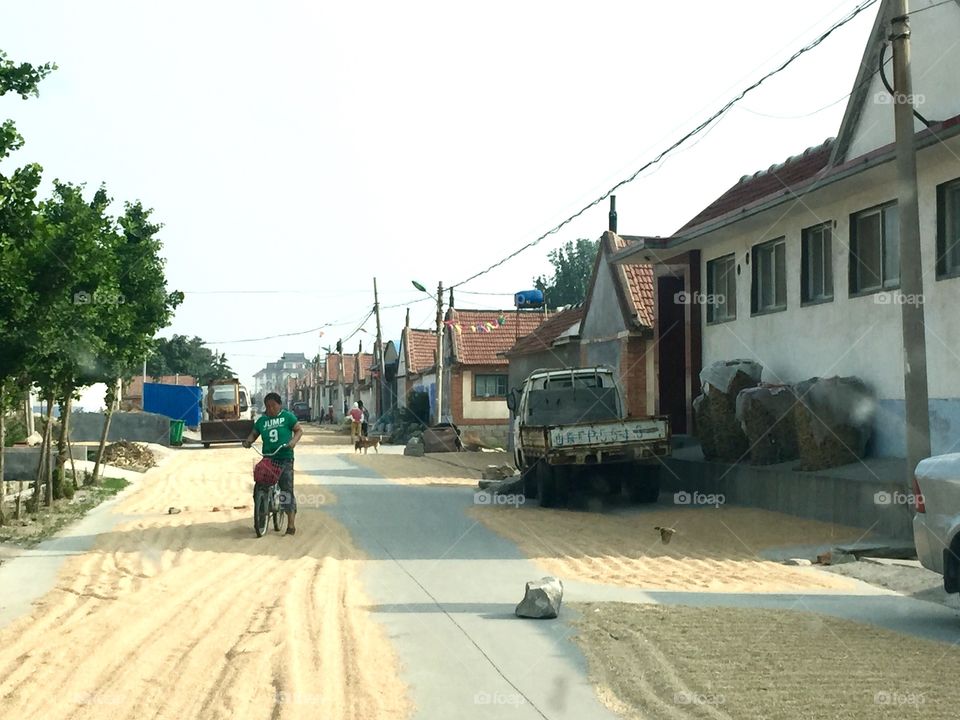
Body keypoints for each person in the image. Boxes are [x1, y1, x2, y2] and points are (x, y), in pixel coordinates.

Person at [243, 392, 303, 535]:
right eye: (268, 406)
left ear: (279, 405)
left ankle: (291, 525)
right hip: (268, 458)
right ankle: (261, 514)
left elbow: (299, 430)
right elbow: (254, 433)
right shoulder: (262, 421)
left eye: (273, 406)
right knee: (259, 484)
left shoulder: (287, 417)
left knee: (286, 490)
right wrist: (248, 441)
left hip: (284, 457)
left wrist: (293, 442)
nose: (270, 409)